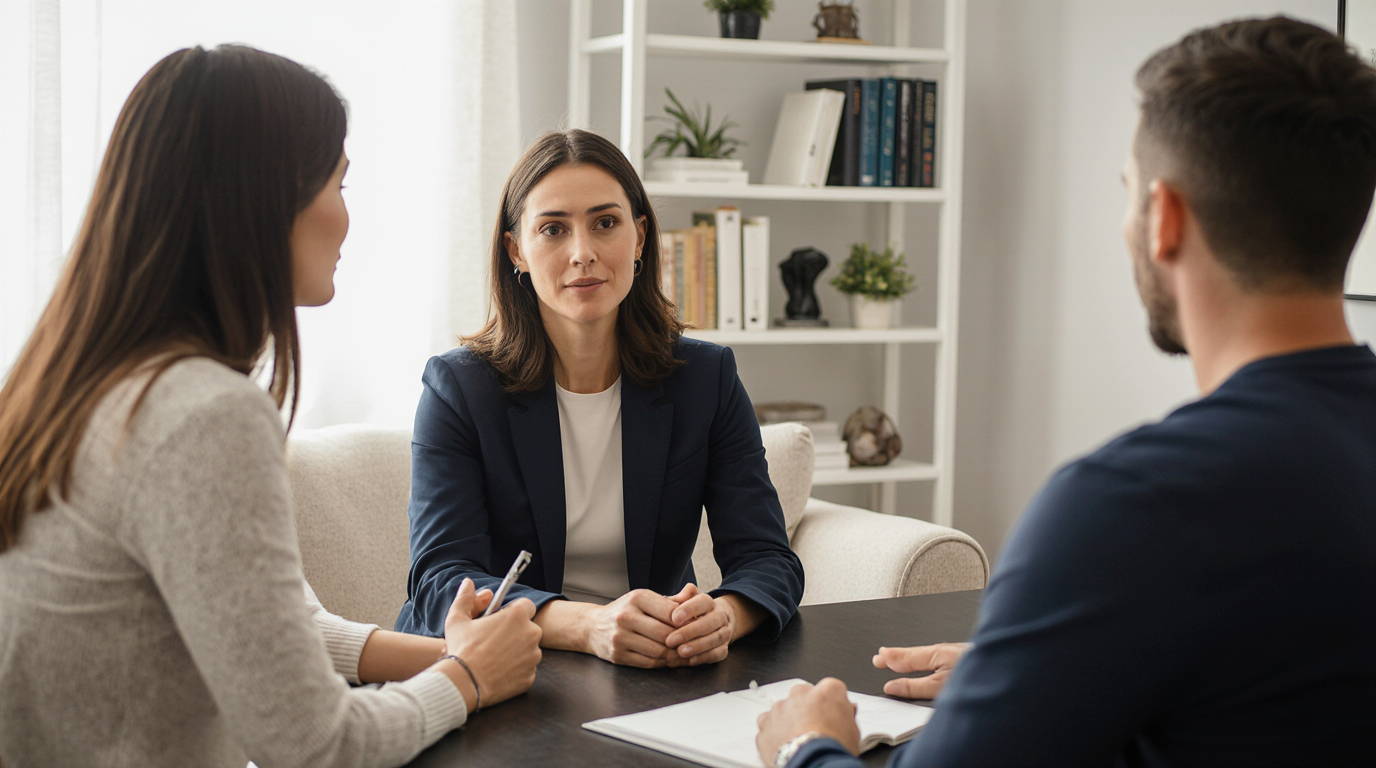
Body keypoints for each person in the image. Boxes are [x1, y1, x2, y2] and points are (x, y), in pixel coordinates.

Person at [756, 16, 1376, 768]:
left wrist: (805, 746)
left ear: (1165, 218)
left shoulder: (1133, 505)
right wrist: (1041, 671)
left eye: (1129, 194)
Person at [0, 45, 542, 768]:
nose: (347, 216)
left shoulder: (78, 385)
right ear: (260, 198)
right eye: (338, 183)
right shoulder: (202, 416)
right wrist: (467, 679)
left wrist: (454, 654)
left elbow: (267, 626)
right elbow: (314, 743)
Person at [394, 129, 804, 668]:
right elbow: (440, 580)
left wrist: (723, 616)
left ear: (639, 237)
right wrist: (588, 625)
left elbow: (768, 558)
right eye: (553, 229)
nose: (582, 253)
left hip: (653, 664)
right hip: (498, 664)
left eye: (605, 223)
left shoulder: (706, 378)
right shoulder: (458, 389)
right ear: (516, 250)